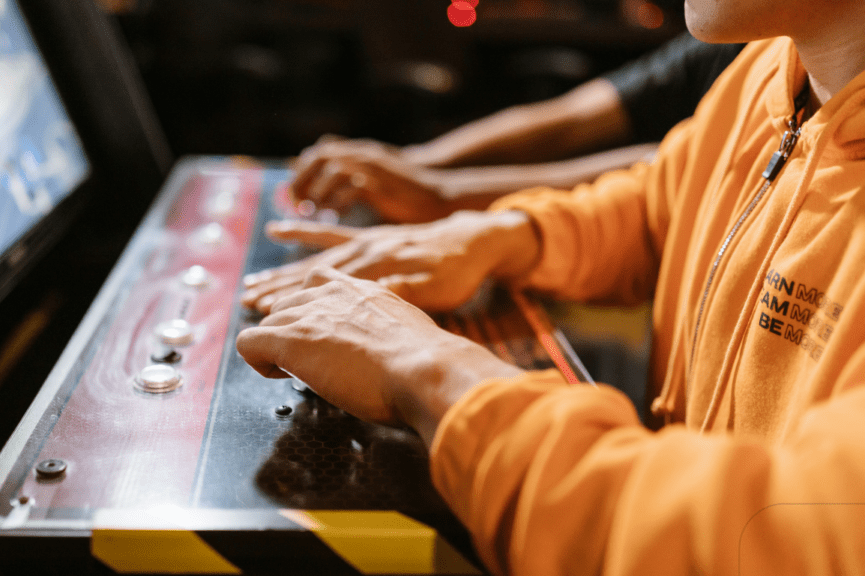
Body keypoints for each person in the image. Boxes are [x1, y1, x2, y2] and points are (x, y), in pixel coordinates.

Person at [236, 0, 865, 572]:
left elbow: (765, 541)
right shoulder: (765, 71)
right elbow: (662, 204)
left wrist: (432, 372)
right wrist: (509, 235)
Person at [289, 33, 744, 224]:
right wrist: (411, 161)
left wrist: (439, 193)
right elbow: (569, 118)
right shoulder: (733, 44)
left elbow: (669, 167)